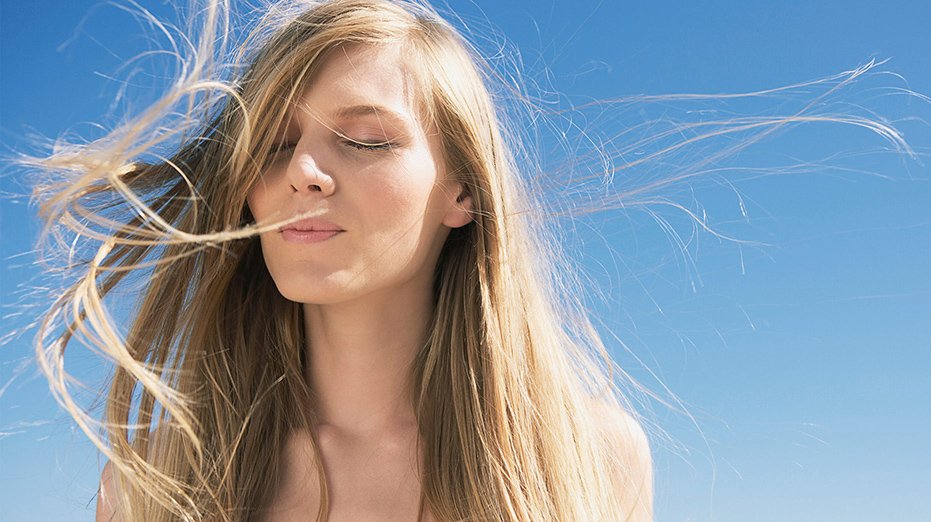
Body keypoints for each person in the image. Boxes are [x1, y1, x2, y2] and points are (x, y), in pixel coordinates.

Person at [28, 0, 652, 520]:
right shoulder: (151, 487)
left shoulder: (588, 457)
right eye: (274, 143)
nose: (303, 171)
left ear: (461, 191)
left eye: (364, 140)